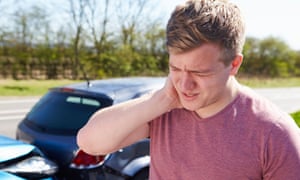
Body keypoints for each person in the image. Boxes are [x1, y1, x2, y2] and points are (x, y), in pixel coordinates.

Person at [77, 0, 300, 179]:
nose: (184, 85)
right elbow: (89, 143)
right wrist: (159, 101)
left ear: (234, 64)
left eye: (200, 72)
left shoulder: (275, 133)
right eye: (175, 68)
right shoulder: (164, 107)